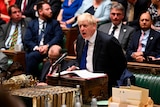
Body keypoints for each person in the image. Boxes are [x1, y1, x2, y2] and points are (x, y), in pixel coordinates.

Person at [68, 13, 127, 97]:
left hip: (104, 86)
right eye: (80, 26)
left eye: (85, 26)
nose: (82, 29)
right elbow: (80, 60)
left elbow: (121, 65)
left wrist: (106, 80)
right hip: (83, 83)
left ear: (94, 26)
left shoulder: (108, 41)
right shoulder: (80, 39)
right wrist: (76, 67)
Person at [24, 1, 64, 78]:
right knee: (29, 55)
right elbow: (27, 40)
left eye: (50, 9)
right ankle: (31, 80)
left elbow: (58, 37)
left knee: (31, 56)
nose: (51, 11)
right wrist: (37, 48)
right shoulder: (32, 23)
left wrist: (47, 46)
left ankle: (34, 80)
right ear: (40, 11)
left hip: (49, 50)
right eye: (47, 9)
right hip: (36, 50)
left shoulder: (54, 23)